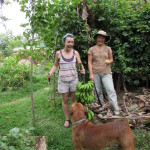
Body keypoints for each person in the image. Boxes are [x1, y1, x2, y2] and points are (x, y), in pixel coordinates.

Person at [47, 33, 85, 128]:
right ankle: (67, 119)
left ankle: (75, 117)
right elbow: (55, 65)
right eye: (68, 42)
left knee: (74, 100)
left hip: (73, 79)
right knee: (65, 100)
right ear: (64, 42)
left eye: (72, 42)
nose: (70, 44)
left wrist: (82, 69)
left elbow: (79, 63)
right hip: (63, 80)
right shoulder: (58, 53)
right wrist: (50, 73)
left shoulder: (75, 53)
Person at [88, 30, 119, 115]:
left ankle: (116, 111)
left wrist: (109, 61)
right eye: (99, 37)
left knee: (110, 90)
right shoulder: (91, 49)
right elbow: (89, 62)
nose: (100, 39)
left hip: (106, 73)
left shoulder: (108, 48)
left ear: (105, 39)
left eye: (102, 38)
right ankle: (100, 108)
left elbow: (111, 59)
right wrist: (91, 74)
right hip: (95, 73)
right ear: (96, 38)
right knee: (97, 92)